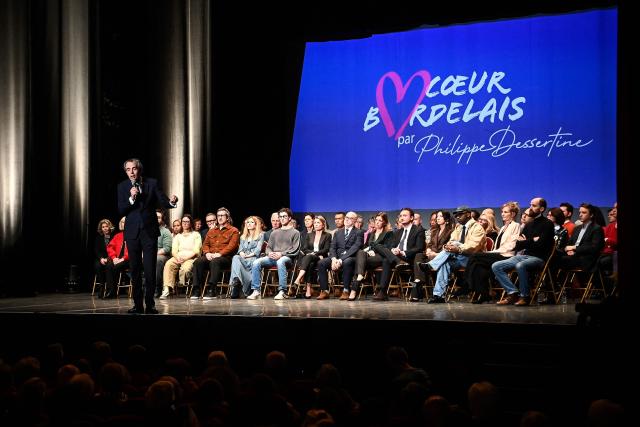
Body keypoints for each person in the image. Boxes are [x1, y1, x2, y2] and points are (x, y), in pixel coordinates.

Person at [117, 158, 178, 314]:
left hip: (149, 232)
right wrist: (131, 198)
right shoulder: (122, 186)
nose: (131, 172)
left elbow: (163, 201)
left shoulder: (152, 183)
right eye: (128, 169)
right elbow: (121, 208)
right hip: (132, 233)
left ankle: (150, 304)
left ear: (139, 169)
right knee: (135, 269)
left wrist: (171, 202)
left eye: (134, 168)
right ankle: (137, 305)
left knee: (150, 269)